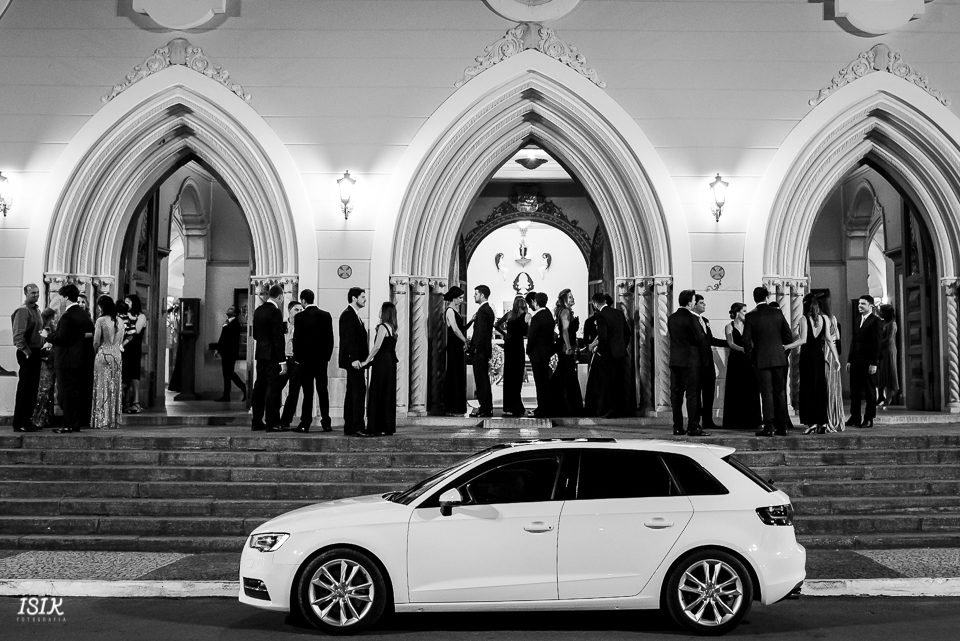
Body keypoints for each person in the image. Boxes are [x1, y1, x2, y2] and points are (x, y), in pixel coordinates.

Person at [742, 286, 799, 437]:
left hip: (761, 360)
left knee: (766, 393)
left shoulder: (750, 316)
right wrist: (783, 353)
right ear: (767, 297)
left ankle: (769, 426)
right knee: (779, 393)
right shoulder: (778, 312)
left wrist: (753, 357)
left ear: (755, 298)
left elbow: (746, 341)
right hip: (779, 359)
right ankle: (782, 426)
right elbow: (788, 336)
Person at [42, 284, 94, 433]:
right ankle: (75, 423)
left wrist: (48, 336)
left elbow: (62, 338)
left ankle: (67, 424)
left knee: (66, 393)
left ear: (65, 297)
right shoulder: (83, 314)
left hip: (65, 360)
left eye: (61, 297)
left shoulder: (68, 315)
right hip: (79, 358)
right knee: (75, 392)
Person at [291, 289, 334, 433]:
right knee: (323, 391)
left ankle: (305, 423)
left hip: (305, 361)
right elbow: (330, 339)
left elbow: (297, 340)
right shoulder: (326, 315)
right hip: (321, 361)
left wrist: (297, 359)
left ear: (303, 301)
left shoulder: (300, 317)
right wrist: (326, 357)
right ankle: (326, 422)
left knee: (307, 393)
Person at [668, 289, 705, 435]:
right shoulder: (691, 318)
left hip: (675, 360)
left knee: (676, 395)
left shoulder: (672, 318)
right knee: (692, 394)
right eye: (694, 301)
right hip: (690, 361)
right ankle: (693, 425)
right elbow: (699, 338)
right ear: (690, 303)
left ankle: (677, 426)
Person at [251, 285, 288, 432]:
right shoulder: (275, 312)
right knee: (272, 388)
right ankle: (272, 422)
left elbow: (255, 335)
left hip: (260, 354)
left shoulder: (258, 310)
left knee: (259, 387)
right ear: (280, 296)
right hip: (272, 356)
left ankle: (256, 421)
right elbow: (278, 338)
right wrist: (282, 361)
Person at [721, 303, 761, 431]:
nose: (746, 313)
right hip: (736, 360)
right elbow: (730, 343)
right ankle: (735, 421)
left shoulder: (749, 326)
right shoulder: (729, 326)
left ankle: (752, 420)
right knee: (736, 388)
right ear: (737, 312)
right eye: (744, 311)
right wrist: (743, 349)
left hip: (748, 359)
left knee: (750, 386)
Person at [361, 301, 399, 436]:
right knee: (387, 393)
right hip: (390, 363)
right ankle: (386, 426)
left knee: (378, 391)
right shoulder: (393, 328)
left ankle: (376, 426)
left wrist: (366, 360)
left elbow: (377, 347)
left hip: (382, 362)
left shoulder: (383, 327)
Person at [846, 294, 883, 429]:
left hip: (868, 362)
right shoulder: (857, 320)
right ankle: (855, 416)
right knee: (854, 390)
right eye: (859, 304)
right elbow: (854, 340)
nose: (859, 306)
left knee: (869, 391)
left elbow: (877, 343)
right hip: (856, 360)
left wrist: (874, 362)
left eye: (863, 304)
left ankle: (868, 418)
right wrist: (849, 359)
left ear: (871, 306)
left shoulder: (875, 321)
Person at [11, 283, 43, 432]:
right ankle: (20, 421)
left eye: (37, 293)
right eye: (32, 293)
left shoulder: (37, 310)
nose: (35, 295)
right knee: (25, 388)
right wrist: (28, 353)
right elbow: (18, 336)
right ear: (26, 294)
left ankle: (27, 420)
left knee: (32, 389)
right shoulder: (23, 311)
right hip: (28, 352)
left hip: (36, 351)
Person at [592, 292, 630, 419]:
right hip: (620, 353)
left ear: (595, 304)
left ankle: (611, 409)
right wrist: (622, 346)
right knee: (620, 381)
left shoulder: (600, 315)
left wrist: (600, 351)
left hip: (607, 354)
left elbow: (603, 336)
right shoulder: (618, 313)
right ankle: (622, 409)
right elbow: (627, 332)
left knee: (608, 383)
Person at [694, 294, 729, 430]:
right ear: (694, 304)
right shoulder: (691, 320)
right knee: (696, 394)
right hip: (696, 363)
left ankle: (708, 420)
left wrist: (729, 343)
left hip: (708, 363)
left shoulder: (705, 320)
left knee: (709, 393)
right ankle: (695, 420)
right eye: (701, 303)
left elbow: (711, 340)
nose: (704, 305)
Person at [90, 295, 124, 430]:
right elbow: (120, 340)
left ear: (101, 306)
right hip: (117, 354)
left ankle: (102, 420)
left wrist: (95, 352)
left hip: (104, 354)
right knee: (114, 387)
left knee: (101, 386)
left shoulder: (101, 320)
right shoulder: (120, 321)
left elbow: (96, 341)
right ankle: (113, 420)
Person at [339, 287, 369, 435]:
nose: (365, 299)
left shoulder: (354, 315)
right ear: (354, 298)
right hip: (354, 362)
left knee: (352, 393)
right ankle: (357, 426)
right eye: (362, 297)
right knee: (358, 392)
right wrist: (354, 359)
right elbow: (348, 339)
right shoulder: (348, 315)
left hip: (356, 361)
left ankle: (350, 426)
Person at [797, 294, 829, 434]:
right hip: (819, 356)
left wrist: (786, 346)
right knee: (819, 388)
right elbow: (828, 339)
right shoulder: (825, 318)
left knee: (807, 388)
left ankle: (810, 422)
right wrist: (836, 359)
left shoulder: (804, 319)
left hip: (807, 356)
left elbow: (803, 340)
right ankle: (821, 422)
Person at [549, 289, 583, 417]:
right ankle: (569, 406)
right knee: (568, 376)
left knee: (562, 375)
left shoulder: (566, 311)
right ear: (564, 299)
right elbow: (565, 331)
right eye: (570, 297)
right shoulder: (565, 311)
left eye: (572, 296)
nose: (573, 298)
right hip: (565, 348)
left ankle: (560, 404)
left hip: (566, 346)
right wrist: (569, 347)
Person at [494, 295, 528, 417]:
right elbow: (526, 333)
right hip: (518, 346)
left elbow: (496, 324)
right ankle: (517, 405)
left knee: (509, 375)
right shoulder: (524, 316)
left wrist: (504, 334)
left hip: (509, 344)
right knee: (517, 376)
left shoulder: (509, 315)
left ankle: (509, 405)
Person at [817, 294, 844, 432]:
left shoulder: (822, 318)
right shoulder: (833, 318)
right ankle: (835, 417)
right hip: (833, 353)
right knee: (833, 386)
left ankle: (827, 419)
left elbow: (824, 337)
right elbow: (837, 337)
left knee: (826, 385)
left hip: (825, 352)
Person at [442, 286, 471, 416]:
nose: (461, 300)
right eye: (460, 298)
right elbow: (454, 329)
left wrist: (471, 321)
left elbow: (461, 327)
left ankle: (458, 407)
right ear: (454, 298)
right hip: (454, 347)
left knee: (459, 375)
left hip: (457, 346)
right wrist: (465, 340)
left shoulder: (455, 310)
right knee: (454, 375)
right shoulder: (449, 310)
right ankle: (453, 408)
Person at [526, 291, 554, 418]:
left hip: (537, 353)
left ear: (536, 302)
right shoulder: (549, 315)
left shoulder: (536, 317)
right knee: (545, 382)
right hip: (546, 352)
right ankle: (545, 407)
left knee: (539, 383)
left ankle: (541, 409)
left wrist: (528, 351)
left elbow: (531, 337)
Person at [469, 285, 495, 418]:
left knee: (481, 380)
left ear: (482, 295)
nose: (474, 296)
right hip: (482, 350)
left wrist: (475, 349)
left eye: (476, 294)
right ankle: (485, 407)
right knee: (482, 379)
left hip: (480, 351)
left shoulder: (484, 310)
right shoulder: (485, 309)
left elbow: (481, 332)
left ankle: (485, 408)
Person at [278, 300, 304, 428]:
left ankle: (286, 420)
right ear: (289, 311)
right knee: (276, 388)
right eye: (296, 310)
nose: (299, 312)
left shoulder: (302, 326)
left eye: (300, 310)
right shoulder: (282, 325)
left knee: (294, 391)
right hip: (282, 359)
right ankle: (273, 418)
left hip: (295, 360)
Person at [31, 308, 58, 429]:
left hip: (48, 363)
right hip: (47, 363)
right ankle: (42, 418)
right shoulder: (47, 330)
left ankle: (43, 418)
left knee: (46, 391)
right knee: (45, 391)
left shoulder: (46, 329)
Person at [214, 306, 246, 402]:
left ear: (235, 313)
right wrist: (218, 349)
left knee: (229, 372)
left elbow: (231, 339)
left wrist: (222, 348)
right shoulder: (227, 322)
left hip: (230, 352)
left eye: (231, 309)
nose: (228, 309)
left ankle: (243, 387)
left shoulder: (235, 324)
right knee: (226, 374)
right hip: (225, 351)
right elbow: (222, 337)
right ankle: (226, 395)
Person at [121, 294, 147, 414]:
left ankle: (136, 402)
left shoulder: (141, 316)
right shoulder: (123, 316)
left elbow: (137, 330)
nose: (126, 304)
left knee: (134, 375)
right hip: (124, 348)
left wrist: (130, 317)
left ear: (134, 303)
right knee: (125, 376)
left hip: (134, 348)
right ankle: (125, 402)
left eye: (128, 302)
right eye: (125, 302)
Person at [877, 304, 899, 409]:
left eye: (881, 311)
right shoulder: (883, 322)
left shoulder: (892, 323)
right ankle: (880, 395)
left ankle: (889, 396)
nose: (880, 313)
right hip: (881, 350)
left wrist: (878, 343)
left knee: (889, 372)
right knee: (881, 373)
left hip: (889, 350)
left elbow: (889, 339)